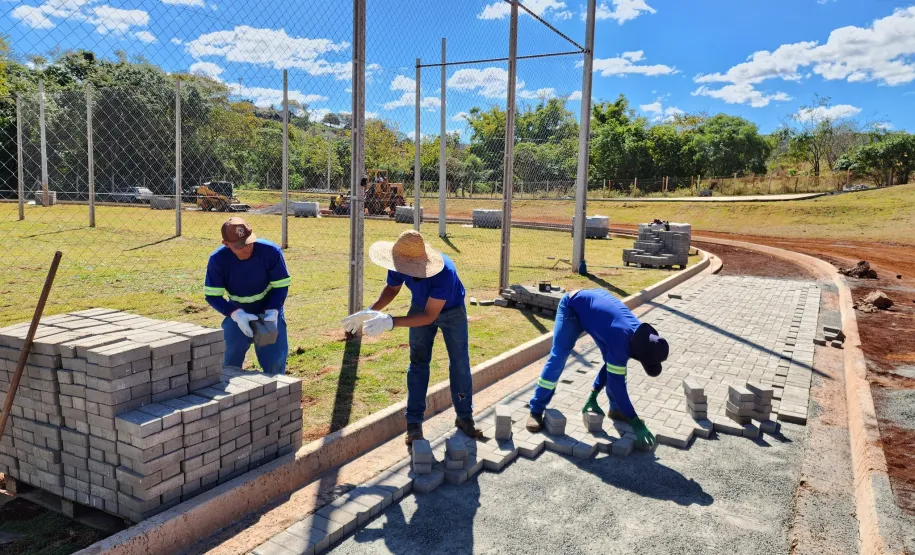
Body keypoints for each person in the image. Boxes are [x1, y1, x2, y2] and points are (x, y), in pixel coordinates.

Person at [343, 230, 479, 445]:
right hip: (420, 306)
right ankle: (414, 424)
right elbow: (392, 288)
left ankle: (465, 417)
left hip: (452, 312)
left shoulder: (445, 273)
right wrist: (371, 311)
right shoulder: (400, 260)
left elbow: (429, 316)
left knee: (460, 363)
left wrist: (390, 321)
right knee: (418, 363)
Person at [526, 288, 669, 450]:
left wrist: (593, 394)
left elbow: (613, 368)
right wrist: (635, 420)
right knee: (558, 357)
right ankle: (535, 410)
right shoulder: (621, 341)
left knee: (618, 368)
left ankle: (617, 411)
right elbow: (616, 385)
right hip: (572, 307)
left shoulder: (639, 335)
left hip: (596, 313)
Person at [204, 217, 291, 375]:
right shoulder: (218, 260)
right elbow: (212, 296)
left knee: (274, 362)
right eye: (240, 246)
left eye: (249, 242)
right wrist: (236, 315)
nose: (247, 248)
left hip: (268, 312)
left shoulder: (270, 252)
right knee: (228, 360)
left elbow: (281, 285)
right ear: (226, 244)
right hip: (238, 312)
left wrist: (273, 311)